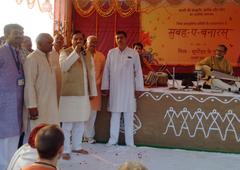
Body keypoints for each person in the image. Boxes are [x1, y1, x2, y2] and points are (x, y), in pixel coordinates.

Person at [101, 31, 144, 147]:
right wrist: (105, 86)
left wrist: (139, 87)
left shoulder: (133, 53)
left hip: (129, 90)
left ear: (126, 39)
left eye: (121, 37)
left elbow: (138, 71)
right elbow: (106, 71)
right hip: (115, 89)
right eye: (117, 38)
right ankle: (112, 140)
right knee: (114, 115)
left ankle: (130, 142)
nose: (119, 40)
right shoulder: (111, 53)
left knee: (129, 116)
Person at [59, 31, 97, 160]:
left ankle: (77, 146)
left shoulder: (87, 54)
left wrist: (93, 92)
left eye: (81, 39)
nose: (78, 41)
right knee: (67, 124)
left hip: (84, 94)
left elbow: (91, 74)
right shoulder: (65, 52)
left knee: (80, 122)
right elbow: (64, 67)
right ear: (71, 40)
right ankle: (65, 149)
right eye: (76, 39)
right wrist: (75, 51)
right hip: (69, 95)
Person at [0, 23, 24, 170]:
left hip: (18, 102)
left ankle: (12, 165)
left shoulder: (20, 53)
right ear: (7, 34)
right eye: (16, 33)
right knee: (4, 137)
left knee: (15, 136)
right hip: (4, 102)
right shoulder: (1, 52)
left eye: (21, 32)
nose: (20, 35)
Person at [24, 33, 59, 131]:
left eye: (52, 42)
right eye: (49, 43)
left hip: (51, 103)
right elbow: (29, 84)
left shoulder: (49, 57)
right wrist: (32, 106)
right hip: (38, 104)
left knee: (50, 132)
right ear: (39, 43)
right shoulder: (32, 58)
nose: (52, 45)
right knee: (37, 134)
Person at [84, 35, 106, 144]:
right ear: (86, 42)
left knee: (93, 114)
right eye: (91, 41)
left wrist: (95, 84)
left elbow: (103, 73)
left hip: (96, 89)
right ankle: (82, 136)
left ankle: (88, 136)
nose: (93, 43)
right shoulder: (81, 54)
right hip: (82, 89)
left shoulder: (101, 56)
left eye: (95, 42)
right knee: (82, 113)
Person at [49, 33, 64, 104]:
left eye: (61, 39)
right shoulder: (48, 53)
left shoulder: (65, 52)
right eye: (57, 38)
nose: (59, 40)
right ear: (53, 41)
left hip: (64, 83)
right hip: (52, 83)